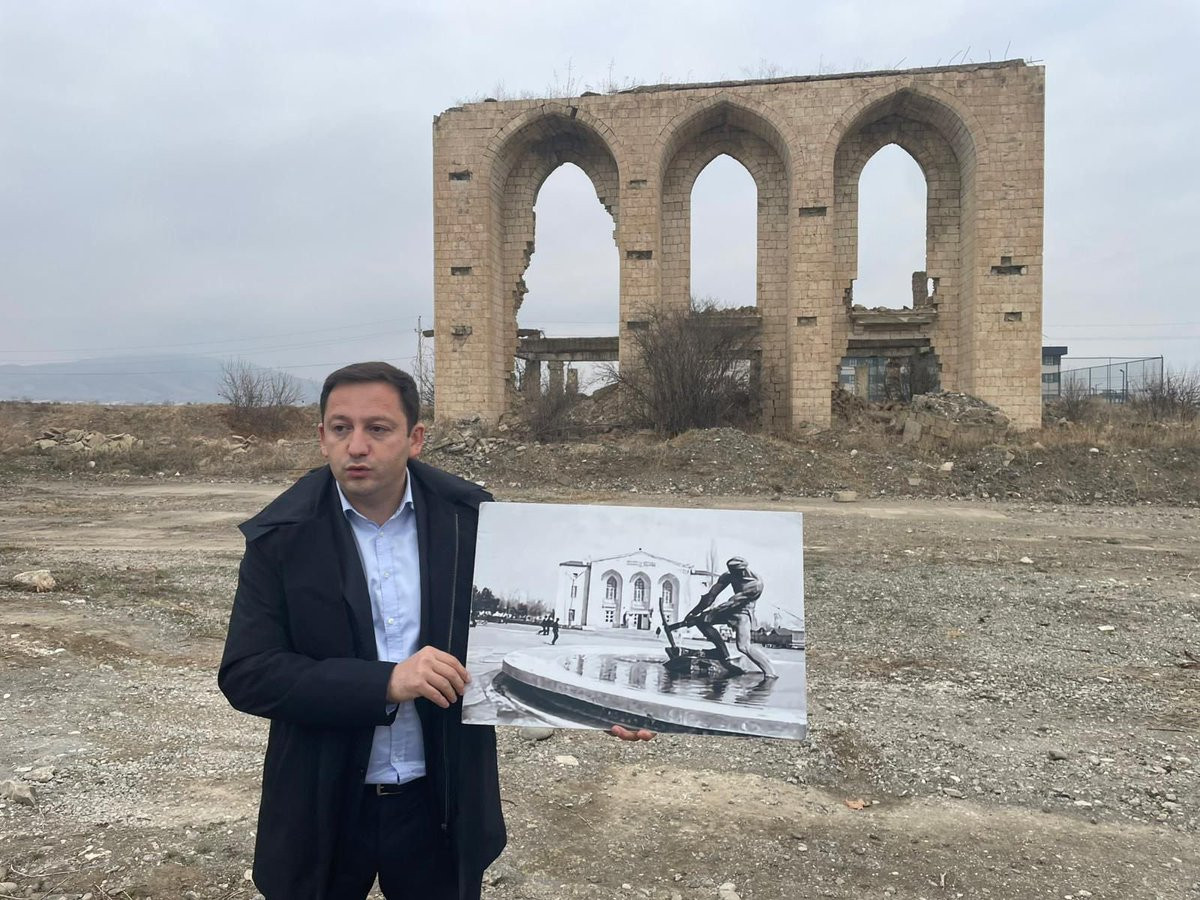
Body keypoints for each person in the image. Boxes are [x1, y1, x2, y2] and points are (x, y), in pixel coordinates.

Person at [219, 362, 651, 900]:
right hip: (322, 799)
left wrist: (602, 704)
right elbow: (249, 673)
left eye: (378, 428)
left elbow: (511, 645)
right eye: (341, 428)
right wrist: (385, 682)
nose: (357, 446)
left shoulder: (471, 522)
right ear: (322, 437)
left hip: (440, 801)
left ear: (415, 438)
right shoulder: (280, 537)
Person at [682, 557, 777, 678]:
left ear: (742, 570)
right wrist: (695, 612)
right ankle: (722, 653)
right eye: (731, 572)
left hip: (743, 613)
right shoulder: (728, 575)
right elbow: (711, 595)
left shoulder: (755, 584)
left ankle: (770, 672)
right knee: (701, 621)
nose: (732, 575)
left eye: (734, 573)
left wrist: (710, 614)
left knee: (743, 646)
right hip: (729, 610)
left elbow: (733, 602)